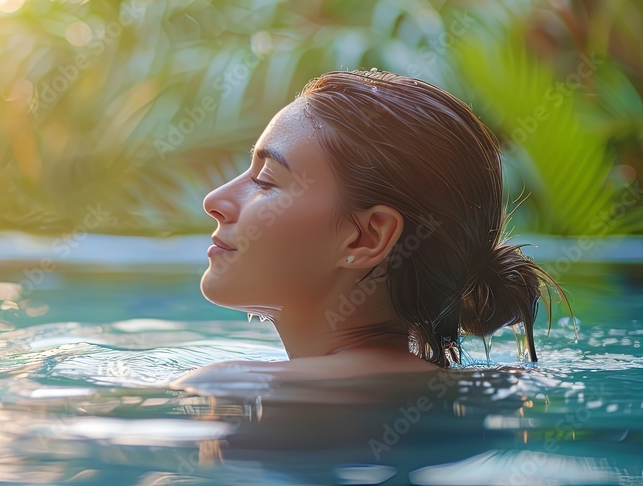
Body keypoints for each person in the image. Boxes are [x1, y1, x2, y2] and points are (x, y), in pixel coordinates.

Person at [174, 68, 571, 388]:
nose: (215, 201)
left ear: (367, 237)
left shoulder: (233, 390)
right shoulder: (479, 388)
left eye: (265, 180)